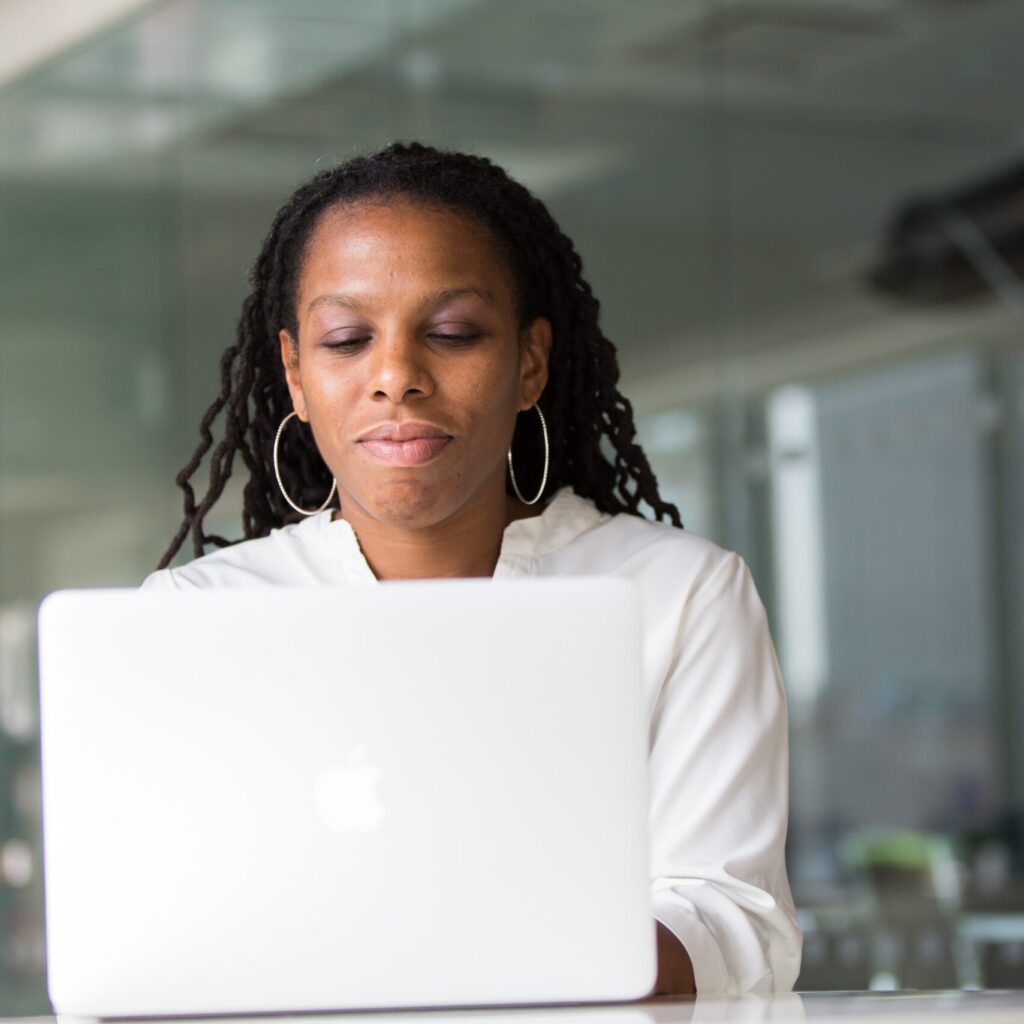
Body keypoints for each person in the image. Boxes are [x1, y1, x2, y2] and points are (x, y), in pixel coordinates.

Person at [142, 140, 802, 996]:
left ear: (529, 362)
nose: (397, 378)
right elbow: (157, 924)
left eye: (452, 333)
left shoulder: (677, 595)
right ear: (296, 376)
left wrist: (439, 959)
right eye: (347, 340)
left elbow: (731, 920)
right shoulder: (192, 618)